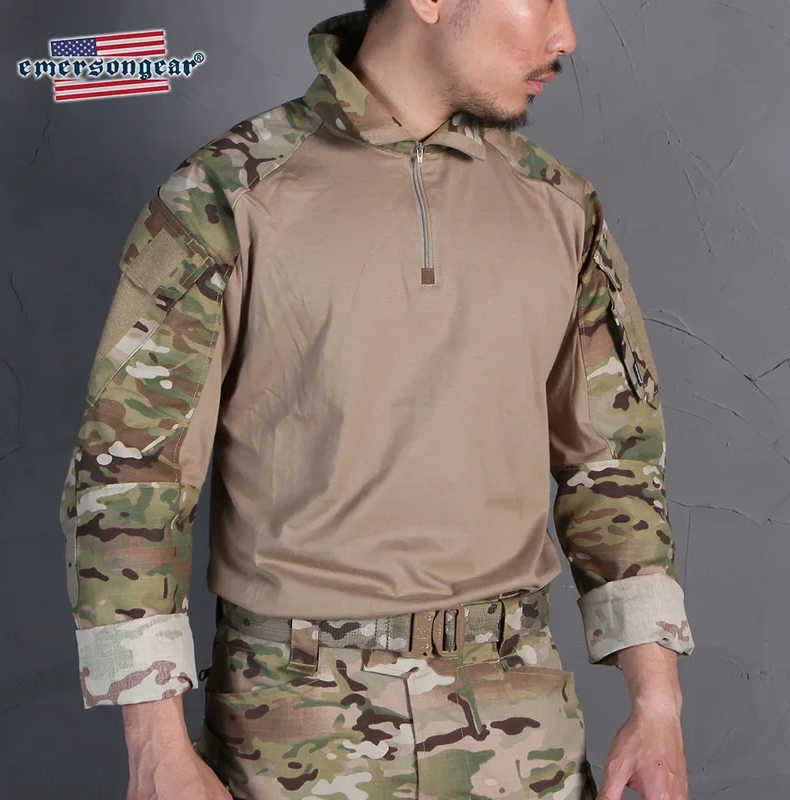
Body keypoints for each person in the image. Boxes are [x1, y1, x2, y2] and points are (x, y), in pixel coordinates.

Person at [59, 2, 695, 799]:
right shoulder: (227, 194)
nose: (564, 33)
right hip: (289, 732)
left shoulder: (561, 207)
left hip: (519, 726)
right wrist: (155, 748)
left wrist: (657, 700)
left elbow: (614, 465)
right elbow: (130, 472)